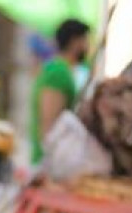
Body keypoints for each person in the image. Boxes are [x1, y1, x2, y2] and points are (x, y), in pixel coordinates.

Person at [30, 18, 91, 165]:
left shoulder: (60, 69)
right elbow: (48, 124)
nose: (89, 46)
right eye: (86, 40)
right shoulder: (58, 72)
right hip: (48, 165)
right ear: (75, 42)